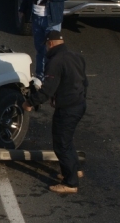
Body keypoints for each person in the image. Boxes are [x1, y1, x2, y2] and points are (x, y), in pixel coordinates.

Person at [23, 30, 87, 194]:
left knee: (61, 145)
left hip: (67, 109)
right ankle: (75, 169)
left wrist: (30, 102)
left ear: (49, 43)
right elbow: (84, 82)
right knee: (67, 139)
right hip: (79, 104)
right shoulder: (76, 56)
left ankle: (70, 183)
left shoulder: (56, 62)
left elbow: (48, 89)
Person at [20, 0, 70, 83]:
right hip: (37, 17)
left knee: (54, 51)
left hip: (52, 19)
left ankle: (54, 76)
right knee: (40, 49)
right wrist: (23, 9)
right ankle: (40, 76)